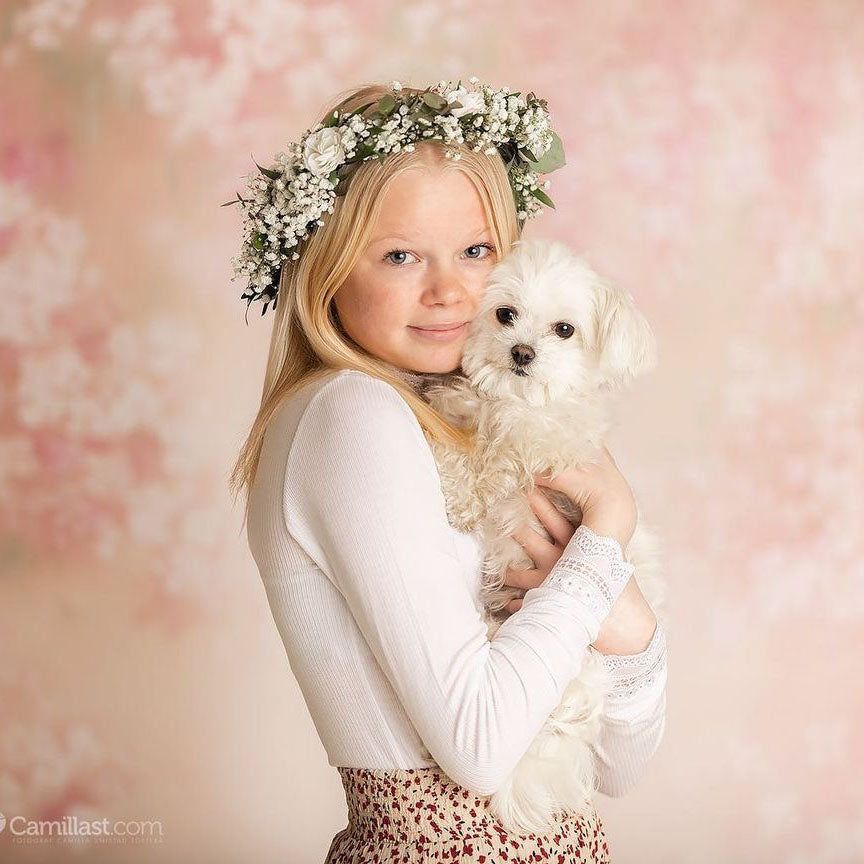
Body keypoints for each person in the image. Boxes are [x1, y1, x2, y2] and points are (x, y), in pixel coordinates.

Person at [231, 78, 667, 863]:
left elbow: (616, 768)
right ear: (327, 269)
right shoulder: (352, 417)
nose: (451, 291)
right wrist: (607, 533)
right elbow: (479, 747)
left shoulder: (459, 424)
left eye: (476, 252)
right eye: (400, 255)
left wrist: (631, 626)